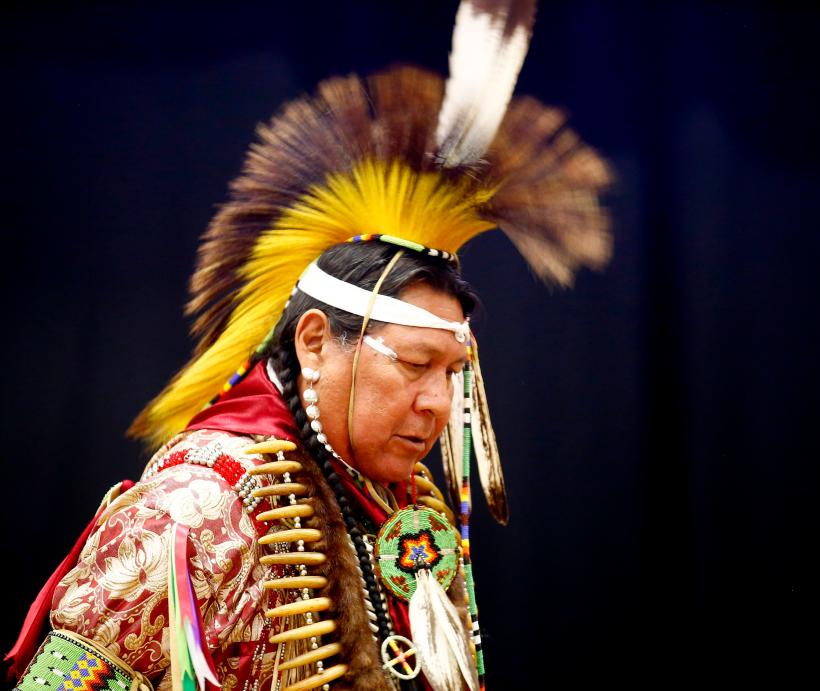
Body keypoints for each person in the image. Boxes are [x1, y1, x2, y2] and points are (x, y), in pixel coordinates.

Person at [6, 1, 611, 689]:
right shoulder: (192, 512)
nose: (439, 403)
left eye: (454, 373)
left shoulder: (409, 508)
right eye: (415, 365)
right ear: (316, 341)